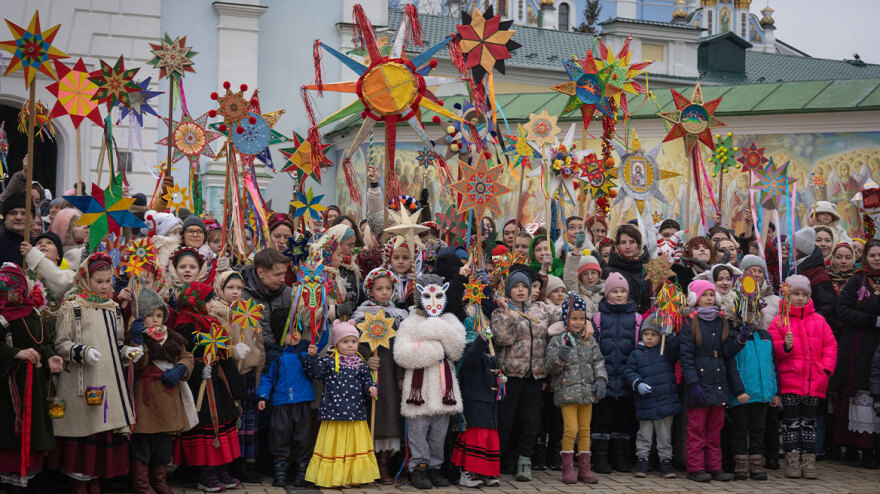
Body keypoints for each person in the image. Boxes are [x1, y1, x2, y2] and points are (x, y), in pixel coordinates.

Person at [52, 253, 141, 493]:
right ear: (85, 279)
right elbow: (61, 344)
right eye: (98, 281)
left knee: (102, 431)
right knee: (83, 431)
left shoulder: (112, 309)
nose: (104, 286)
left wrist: (127, 352)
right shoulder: (72, 307)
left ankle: (95, 483)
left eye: (108, 281)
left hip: (108, 384)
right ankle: (79, 484)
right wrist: (82, 352)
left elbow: (116, 342)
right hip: (82, 384)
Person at [173, 282, 246, 492]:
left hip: (217, 379)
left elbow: (220, 348)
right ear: (196, 301)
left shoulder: (210, 321)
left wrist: (231, 351)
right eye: (208, 299)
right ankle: (206, 472)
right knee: (206, 424)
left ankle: (222, 469)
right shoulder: (184, 324)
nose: (212, 303)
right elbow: (186, 353)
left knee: (222, 421)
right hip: (200, 384)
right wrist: (198, 369)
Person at [394, 274, 466, 489]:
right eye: (427, 296)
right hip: (420, 387)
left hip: (444, 387)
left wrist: (439, 331)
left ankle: (435, 466)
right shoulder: (410, 323)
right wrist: (434, 349)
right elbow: (402, 354)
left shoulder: (450, 321)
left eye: (438, 296)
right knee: (418, 429)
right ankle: (419, 467)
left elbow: (456, 349)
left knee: (439, 431)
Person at [492, 267, 561, 481]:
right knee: (505, 421)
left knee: (531, 421)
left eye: (525, 286)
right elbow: (503, 339)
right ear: (508, 289)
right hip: (510, 376)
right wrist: (507, 314)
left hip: (535, 376)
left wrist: (584, 320)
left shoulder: (542, 309)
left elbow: (565, 316)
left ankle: (524, 460)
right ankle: (500, 459)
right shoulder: (500, 311)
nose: (521, 290)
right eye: (516, 287)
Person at [768, 275, 837, 479]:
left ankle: (808, 461)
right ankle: (792, 460)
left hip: (813, 381)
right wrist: (786, 346)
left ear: (809, 297)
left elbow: (830, 346)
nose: (799, 298)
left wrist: (824, 370)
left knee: (809, 423)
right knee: (791, 422)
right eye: (795, 294)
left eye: (803, 295)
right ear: (787, 297)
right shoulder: (780, 320)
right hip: (790, 380)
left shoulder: (819, 320)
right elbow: (773, 349)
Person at [0, 264, 63, 490]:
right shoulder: (1, 317)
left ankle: (31, 478)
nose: (14, 293)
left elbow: (43, 341)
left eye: (17, 286)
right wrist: (16, 353)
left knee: (34, 428)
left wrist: (50, 356)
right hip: (9, 387)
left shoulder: (33, 311)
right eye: (8, 288)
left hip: (34, 384)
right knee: (10, 431)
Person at [128, 288, 196, 494]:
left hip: (167, 396)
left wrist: (180, 368)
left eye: (159, 315)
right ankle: (141, 484)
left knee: (163, 444)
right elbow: (137, 364)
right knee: (143, 443)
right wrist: (138, 342)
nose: (155, 320)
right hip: (144, 397)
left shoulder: (172, 337)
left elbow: (187, 356)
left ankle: (159, 481)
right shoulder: (134, 337)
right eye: (149, 315)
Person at [679, 279, 743, 482]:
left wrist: (739, 341)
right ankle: (696, 467)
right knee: (697, 429)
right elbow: (686, 357)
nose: (708, 299)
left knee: (715, 429)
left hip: (718, 380)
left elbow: (726, 352)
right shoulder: (690, 322)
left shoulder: (720, 320)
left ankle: (715, 466)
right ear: (695, 299)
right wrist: (693, 383)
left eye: (710, 295)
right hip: (699, 380)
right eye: (704, 295)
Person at [301, 320, 379, 487]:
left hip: (355, 414)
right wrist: (311, 356)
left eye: (354, 341)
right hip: (334, 413)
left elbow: (367, 380)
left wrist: (372, 387)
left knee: (352, 445)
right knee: (335, 445)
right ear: (336, 343)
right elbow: (313, 371)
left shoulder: (360, 363)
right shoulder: (329, 361)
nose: (350, 345)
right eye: (345, 342)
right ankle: (334, 477)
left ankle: (352, 476)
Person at [352, 268, 408, 484]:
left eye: (388, 288)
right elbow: (351, 344)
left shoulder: (398, 317)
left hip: (390, 375)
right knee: (369, 415)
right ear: (370, 291)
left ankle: (384, 463)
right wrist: (366, 358)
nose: (384, 292)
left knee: (388, 418)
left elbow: (401, 348)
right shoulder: (361, 316)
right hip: (370, 376)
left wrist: (401, 376)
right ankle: (368, 464)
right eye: (379, 288)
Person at [208, 271, 264, 484]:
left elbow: (258, 342)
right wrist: (231, 350)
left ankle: (246, 462)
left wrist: (257, 361)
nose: (235, 292)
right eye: (230, 288)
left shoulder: (249, 311)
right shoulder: (216, 312)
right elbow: (214, 342)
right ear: (221, 288)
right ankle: (229, 463)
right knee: (233, 419)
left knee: (248, 420)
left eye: (239, 288)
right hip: (229, 373)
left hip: (248, 372)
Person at [545, 292, 606, 484]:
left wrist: (601, 379)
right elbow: (551, 367)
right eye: (574, 318)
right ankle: (567, 469)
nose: (578, 323)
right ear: (566, 318)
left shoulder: (590, 341)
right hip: (567, 392)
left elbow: (598, 361)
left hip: (587, 392)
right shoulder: (558, 341)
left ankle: (585, 469)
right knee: (570, 429)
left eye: (581, 319)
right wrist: (560, 357)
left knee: (585, 430)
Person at [830, 239, 880, 468]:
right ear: (865, 258)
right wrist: (872, 320)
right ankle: (856, 447)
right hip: (858, 345)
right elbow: (843, 310)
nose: (877, 259)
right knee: (859, 392)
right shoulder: (856, 281)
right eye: (873, 255)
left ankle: (874, 449)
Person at [590, 272, 638, 474]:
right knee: (602, 419)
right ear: (607, 293)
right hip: (605, 376)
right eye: (614, 291)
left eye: (622, 291)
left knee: (623, 420)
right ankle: (600, 458)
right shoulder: (598, 318)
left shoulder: (636, 318)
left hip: (627, 377)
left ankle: (619, 457)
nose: (619, 295)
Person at [624, 313, 680, 479]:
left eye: (654, 334)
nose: (649, 338)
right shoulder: (636, 353)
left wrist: (669, 336)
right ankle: (642, 458)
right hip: (645, 401)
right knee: (644, 434)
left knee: (664, 435)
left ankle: (665, 461)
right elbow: (629, 372)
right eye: (646, 334)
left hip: (665, 400)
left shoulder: (665, 351)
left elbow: (675, 351)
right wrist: (637, 383)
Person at [452, 313, 502, 488]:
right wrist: (481, 339)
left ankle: (487, 471)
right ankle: (468, 471)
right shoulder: (469, 347)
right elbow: (470, 359)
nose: (485, 328)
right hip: (475, 402)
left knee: (490, 437)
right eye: (481, 325)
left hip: (490, 402)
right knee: (477, 436)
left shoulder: (490, 351)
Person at [241, 248, 292, 364]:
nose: (283, 279)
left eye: (284, 273)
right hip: (253, 360)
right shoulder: (242, 295)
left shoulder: (289, 293)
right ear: (260, 273)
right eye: (277, 274)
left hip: (283, 358)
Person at [788, 227, 835, 320]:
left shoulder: (818, 274)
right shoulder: (790, 266)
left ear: (802, 250)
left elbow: (827, 305)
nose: (788, 251)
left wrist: (811, 321)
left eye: (791, 248)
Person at [604, 225, 650, 312]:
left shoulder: (649, 270)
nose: (627, 246)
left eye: (632, 242)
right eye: (623, 242)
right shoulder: (609, 272)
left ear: (639, 245)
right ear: (617, 245)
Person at [562, 237, 604, 318]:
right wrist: (576, 249)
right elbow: (570, 276)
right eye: (585, 274)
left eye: (593, 273)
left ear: (599, 274)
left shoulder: (607, 292)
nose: (590, 277)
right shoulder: (577, 293)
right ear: (580, 276)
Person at [0, 192, 28, 265]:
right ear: (5, 218)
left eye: (24, 213)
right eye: (13, 213)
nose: (19, 217)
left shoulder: (39, 246)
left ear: (33, 218)